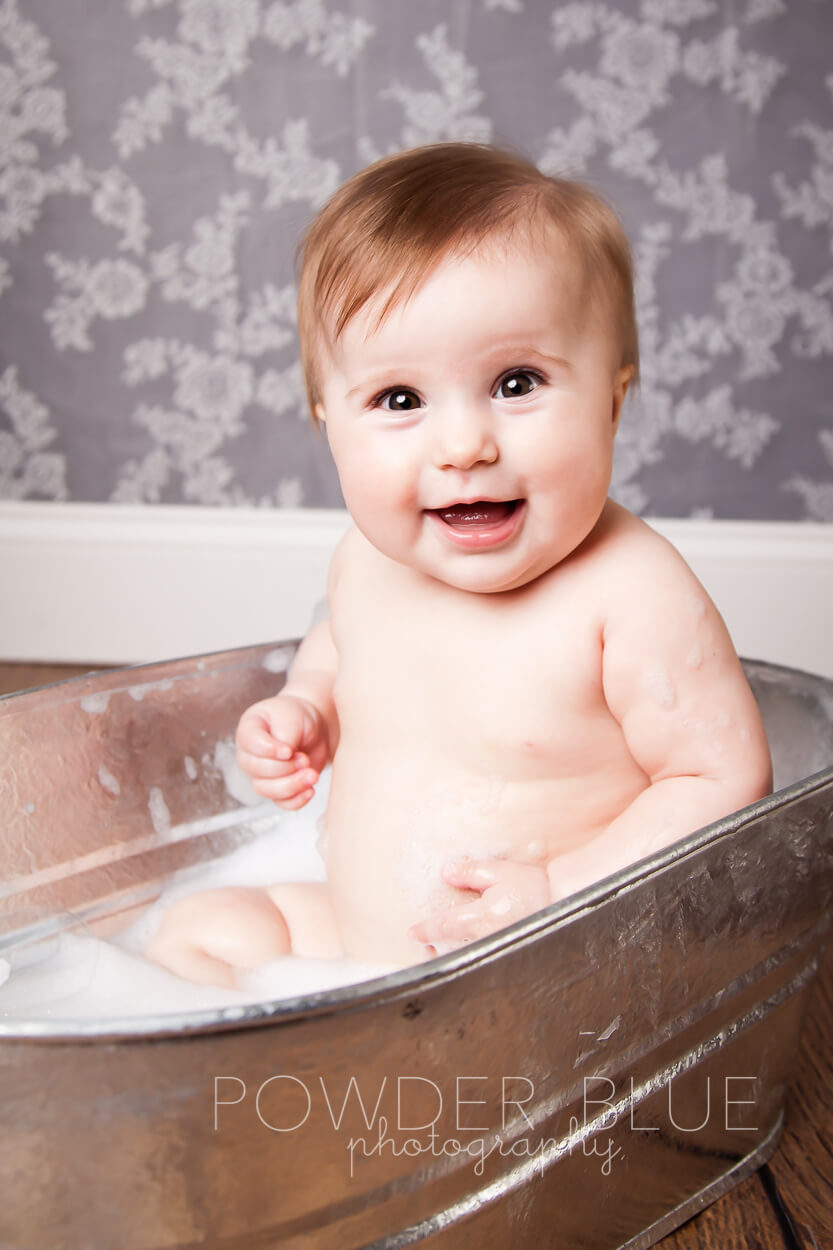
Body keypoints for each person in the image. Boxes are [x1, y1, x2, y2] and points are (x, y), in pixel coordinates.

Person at [147, 143, 772, 988]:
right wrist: (306, 709)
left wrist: (561, 890)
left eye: (517, 382)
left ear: (613, 399)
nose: (464, 445)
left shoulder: (631, 592)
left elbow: (720, 776)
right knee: (199, 929)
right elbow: (339, 650)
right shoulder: (365, 561)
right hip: (360, 937)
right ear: (326, 421)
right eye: (398, 401)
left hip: (542, 958)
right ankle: (269, 1070)